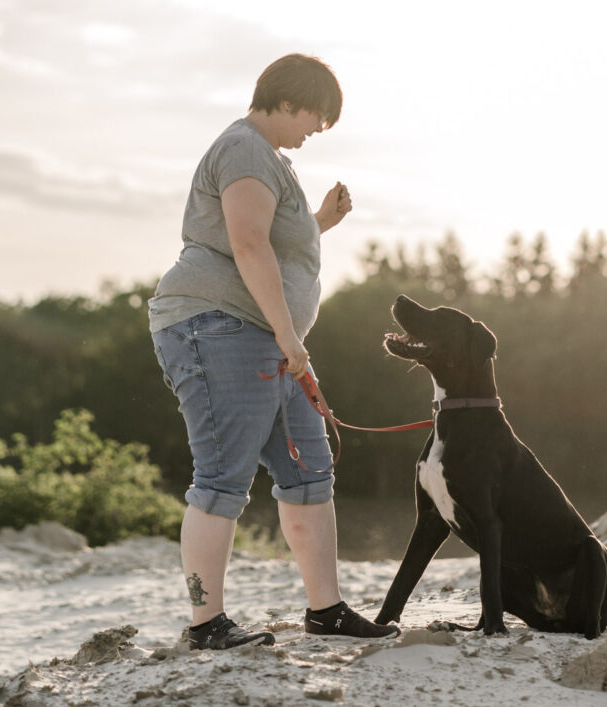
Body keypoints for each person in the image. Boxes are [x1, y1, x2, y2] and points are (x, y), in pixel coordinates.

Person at [148, 54, 399, 650]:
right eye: (317, 116)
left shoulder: (269, 160)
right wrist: (291, 340)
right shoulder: (244, 148)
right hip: (218, 328)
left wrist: (318, 223)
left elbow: (275, 242)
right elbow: (248, 244)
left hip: (262, 335)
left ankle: (327, 612)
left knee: (310, 470)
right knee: (222, 478)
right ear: (289, 100)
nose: (317, 129)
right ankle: (206, 624)